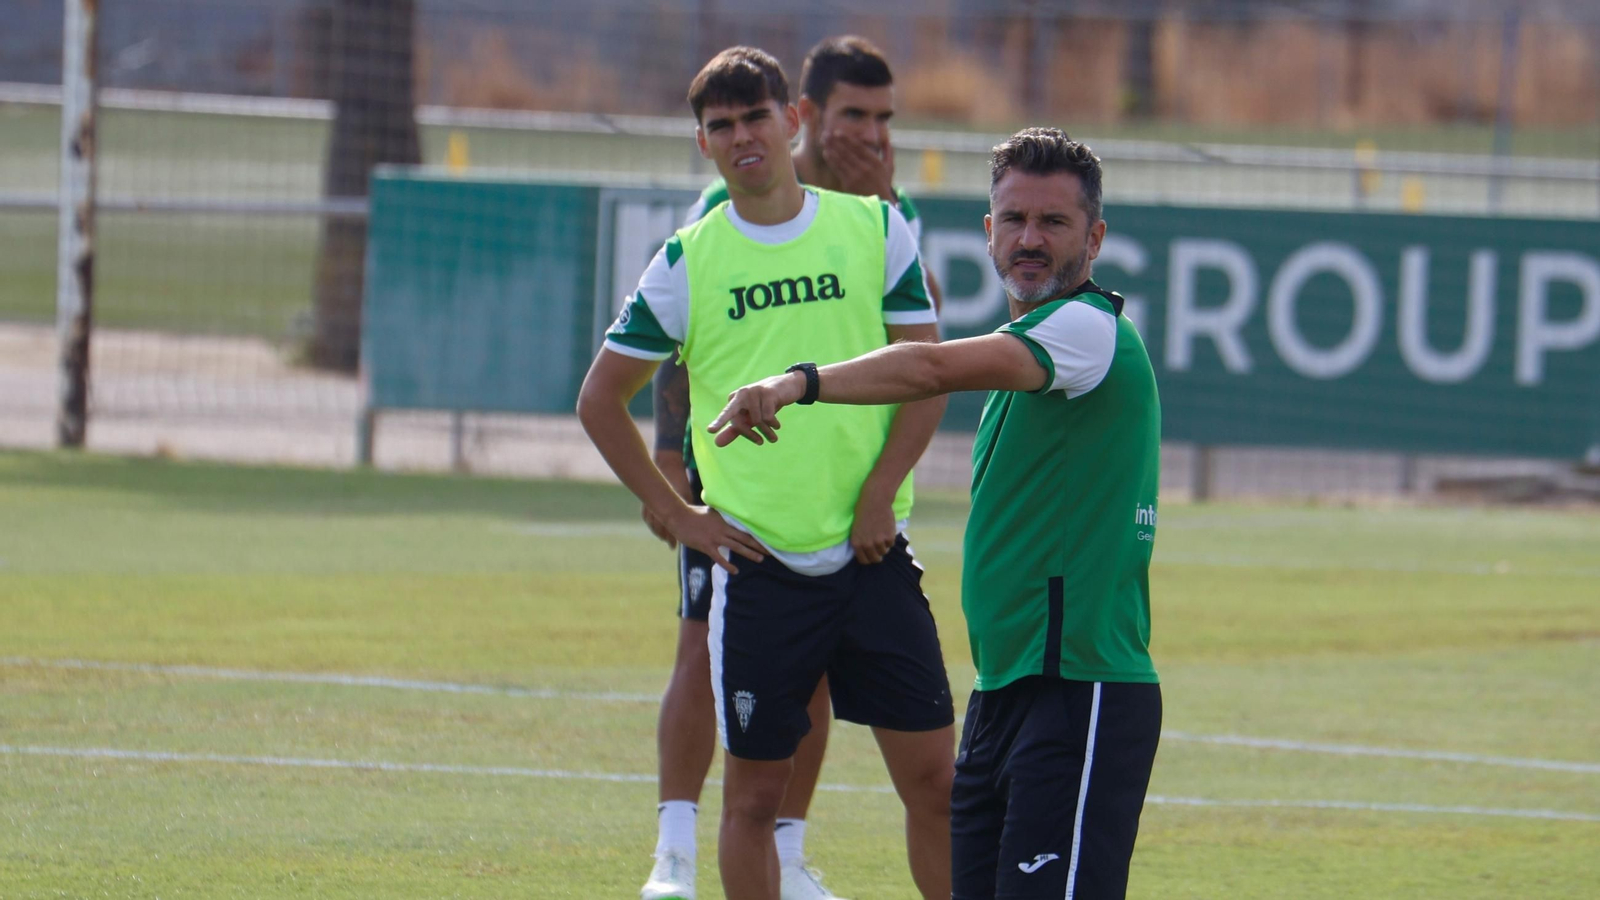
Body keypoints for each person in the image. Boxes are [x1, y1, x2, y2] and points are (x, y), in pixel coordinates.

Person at [706, 127, 1163, 900]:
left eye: (1053, 223)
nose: (1029, 239)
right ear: (987, 231)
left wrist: (796, 383)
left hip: (1078, 689)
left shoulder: (1086, 331)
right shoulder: (1035, 349)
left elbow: (927, 363)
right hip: (1005, 689)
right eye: (1013, 219)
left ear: (1095, 237)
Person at [577, 46, 956, 900]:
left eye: (757, 118)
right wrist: (678, 512)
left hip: (870, 555)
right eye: (722, 126)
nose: (742, 136)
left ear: (793, 122)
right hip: (757, 568)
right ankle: (673, 856)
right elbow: (601, 399)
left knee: (938, 784)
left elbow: (929, 377)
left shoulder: (875, 229)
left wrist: (875, 497)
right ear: (703, 144)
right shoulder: (687, 259)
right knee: (750, 800)